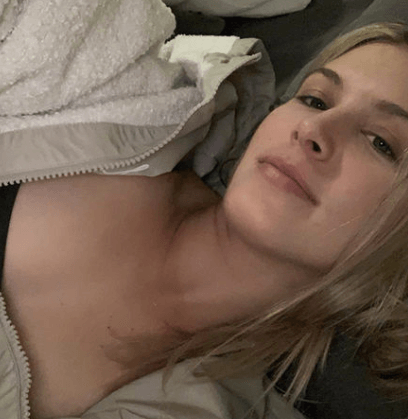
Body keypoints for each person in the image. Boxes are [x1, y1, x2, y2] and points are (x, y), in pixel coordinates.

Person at [0, 0, 407, 417]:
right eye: (315, 99)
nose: (313, 129)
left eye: (381, 143)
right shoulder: (118, 90)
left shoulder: (215, 407)